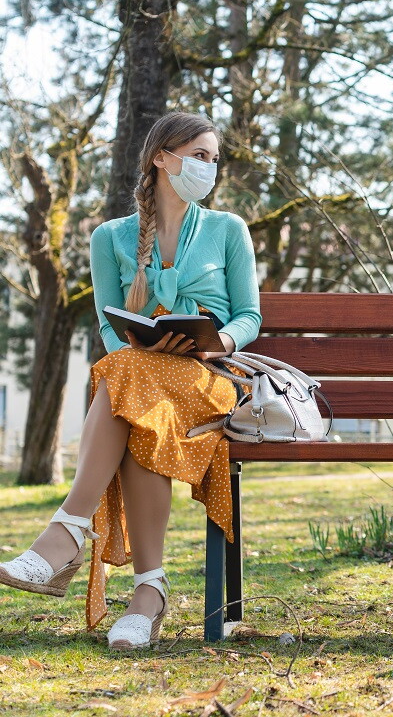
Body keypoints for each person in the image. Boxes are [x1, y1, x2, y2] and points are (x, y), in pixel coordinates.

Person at [0, 112, 261, 649]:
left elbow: (249, 316)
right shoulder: (111, 238)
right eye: (197, 155)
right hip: (141, 375)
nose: (207, 168)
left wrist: (219, 342)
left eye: (212, 159)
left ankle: (68, 535)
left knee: (125, 384)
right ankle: (148, 593)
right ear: (161, 158)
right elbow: (108, 325)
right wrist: (143, 348)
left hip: (208, 375)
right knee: (133, 386)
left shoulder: (227, 229)